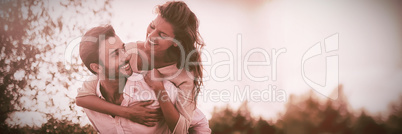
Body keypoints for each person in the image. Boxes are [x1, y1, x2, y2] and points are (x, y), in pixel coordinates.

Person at [76, 1, 210, 133]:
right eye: (152, 26)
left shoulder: (184, 76)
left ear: (177, 42)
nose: (151, 36)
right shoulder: (130, 51)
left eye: (162, 35)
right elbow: (83, 96)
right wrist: (128, 113)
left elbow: (182, 128)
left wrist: (158, 88)